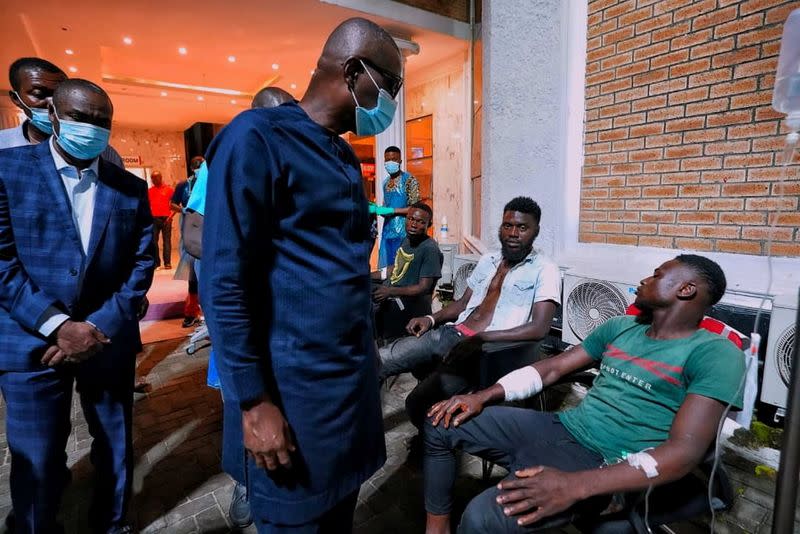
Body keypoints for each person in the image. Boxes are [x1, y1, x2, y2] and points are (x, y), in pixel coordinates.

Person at [200, 18, 403, 533]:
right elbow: (225, 282)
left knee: (338, 517)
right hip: (292, 395)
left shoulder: (339, 153)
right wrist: (253, 402)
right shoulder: (258, 138)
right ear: (355, 72)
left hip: (347, 392)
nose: (393, 102)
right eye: (391, 86)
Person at [422, 255, 746, 534]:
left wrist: (575, 486)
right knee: (442, 419)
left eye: (658, 274)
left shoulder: (714, 353)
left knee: (483, 517)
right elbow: (552, 369)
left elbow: (684, 452)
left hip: (605, 459)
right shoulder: (621, 327)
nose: (645, 279)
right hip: (564, 426)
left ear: (685, 289)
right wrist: (484, 396)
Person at [0, 79, 155, 534]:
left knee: (114, 443)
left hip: (107, 340)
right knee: (38, 456)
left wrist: (98, 326)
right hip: (31, 342)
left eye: (102, 121)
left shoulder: (127, 186)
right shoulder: (8, 171)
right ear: (54, 116)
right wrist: (57, 325)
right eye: (82, 118)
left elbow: (142, 263)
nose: (92, 128)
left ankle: (112, 523)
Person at [378, 197, 560, 423]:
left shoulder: (546, 269)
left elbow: (539, 328)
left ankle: (435, 442)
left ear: (536, 231)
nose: (513, 233)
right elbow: (463, 304)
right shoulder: (489, 259)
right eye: (508, 225)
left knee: (417, 404)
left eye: (522, 227)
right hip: (451, 333)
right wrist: (430, 318)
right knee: (379, 359)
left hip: (487, 352)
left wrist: (480, 339)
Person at [0, 57, 125, 168]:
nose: (52, 102)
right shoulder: (4, 147)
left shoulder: (104, 153)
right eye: (39, 94)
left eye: (58, 95)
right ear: (16, 98)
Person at [373, 201, 442, 342]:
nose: (413, 225)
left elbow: (424, 287)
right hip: (392, 291)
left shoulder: (430, 249)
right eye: (410, 219)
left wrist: (389, 291)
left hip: (408, 304)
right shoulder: (407, 239)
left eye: (420, 222)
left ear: (429, 225)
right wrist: (369, 276)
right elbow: (397, 267)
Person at [171, 156, 203, 327]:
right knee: (193, 275)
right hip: (190, 231)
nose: (200, 168)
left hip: (209, 231)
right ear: (192, 168)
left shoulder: (210, 183)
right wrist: (184, 210)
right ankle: (191, 312)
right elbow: (172, 204)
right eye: (197, 165)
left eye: (202, 165)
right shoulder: (184, 185)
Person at [378, 146, 420, 270]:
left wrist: (393, 211)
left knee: (403, 269)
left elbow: (416, 209)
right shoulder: (385, 183)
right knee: (388, 270)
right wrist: (380, 210)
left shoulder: (409, 180)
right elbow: (386, 205)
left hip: (404, 233)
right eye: (387, 160)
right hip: (387, 233)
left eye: (394, 159)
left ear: (400, 161)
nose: (390, 162)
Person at [148, 170, 174, 270]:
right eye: (152, 178)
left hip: (167, 219)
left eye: (156, 177)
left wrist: (171, 216)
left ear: (161, 177)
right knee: (154, 241)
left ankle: (167, 263)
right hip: (154, 219)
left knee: (167, 241)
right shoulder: (149, 191)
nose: (154, 180)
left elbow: (176, 204)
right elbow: (146, 205)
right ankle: (156, 263)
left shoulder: (169, 190)